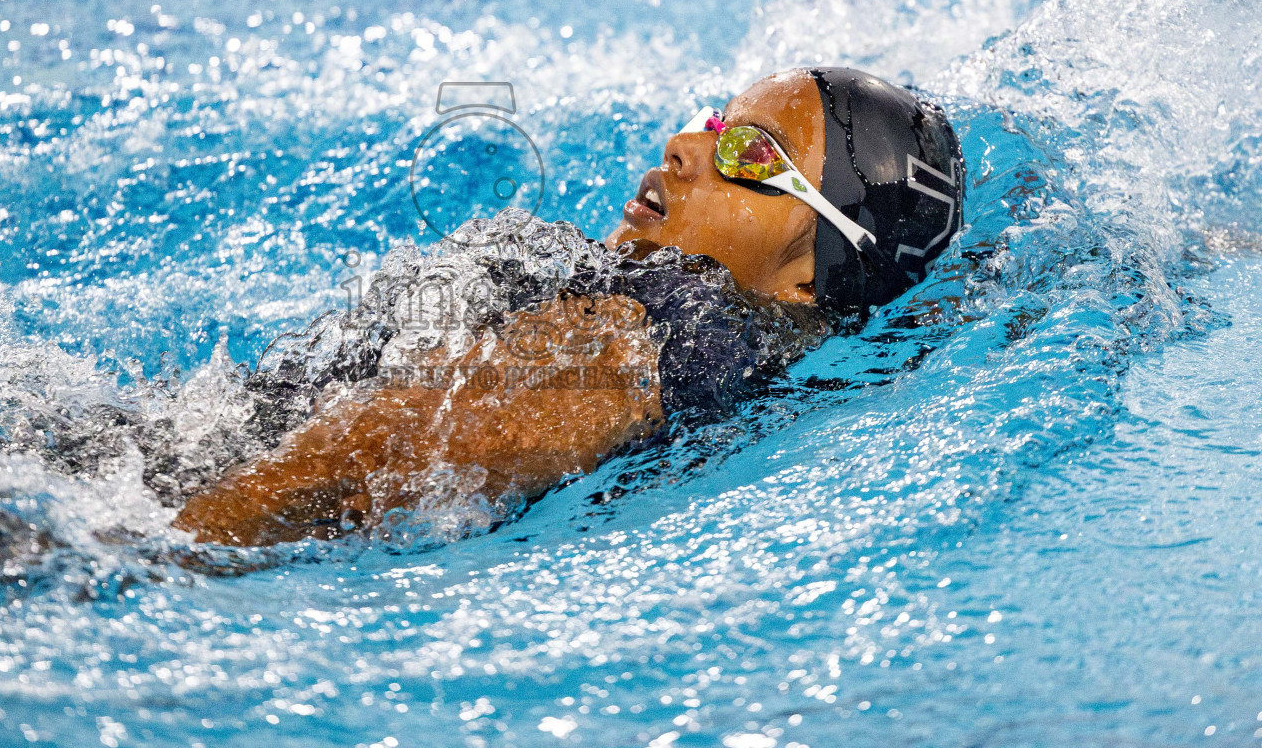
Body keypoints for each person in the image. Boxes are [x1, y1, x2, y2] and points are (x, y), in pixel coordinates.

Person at [173, 67, 965, 548]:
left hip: (168, 498)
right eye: (714, 123)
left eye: (749, 155)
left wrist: (151, 550)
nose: (684, 149)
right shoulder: (712, 348)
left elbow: (354, 462)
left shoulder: (649, 336)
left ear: (809, 275)